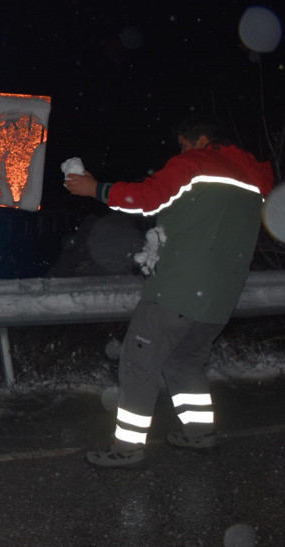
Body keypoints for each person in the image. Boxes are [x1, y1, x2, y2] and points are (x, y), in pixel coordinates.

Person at [65, 116, 273, 468]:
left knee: (138, 361)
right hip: (219, 298)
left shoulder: (195, 163)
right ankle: (199, 433)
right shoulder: (254, 181)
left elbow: (146, 198)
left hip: (178, 288)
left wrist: (95, 188)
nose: (181, 151)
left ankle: (127, 447)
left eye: (182, 144)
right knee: (185, 361)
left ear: (201, 139)